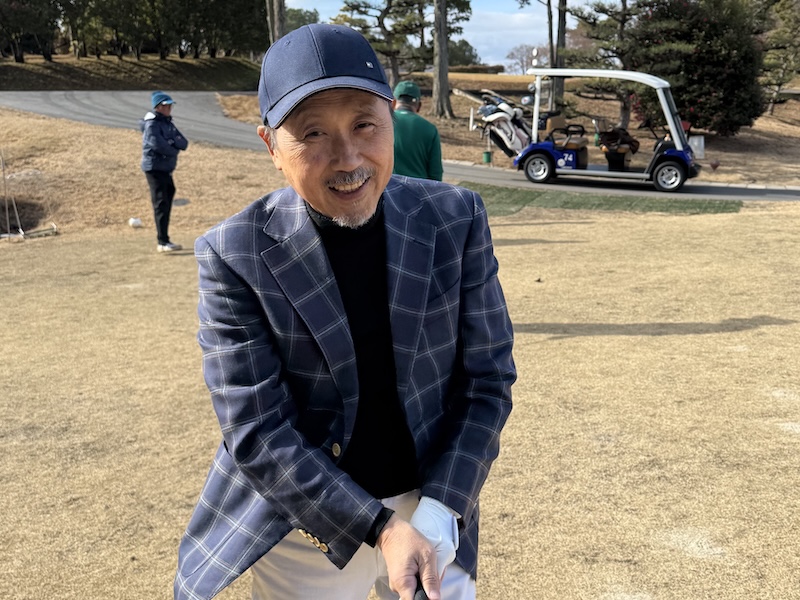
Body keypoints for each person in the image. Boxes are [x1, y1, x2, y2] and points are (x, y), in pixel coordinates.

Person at [174, 23, 515, 600]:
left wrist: (440, 510)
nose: (348, 157)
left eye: (364, 124)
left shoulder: (455, 219)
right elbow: (257, 429)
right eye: (313, 133)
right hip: (306, 522)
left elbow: (487, 381)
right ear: (271, 146)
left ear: (391, 119)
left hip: (433, 501)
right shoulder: (235, 254)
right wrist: (382, 530)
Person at [139, 91, 188, 252]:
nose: (169, 108)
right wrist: (172, 146)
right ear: (159, 107)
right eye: (166, 106)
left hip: (166, 168)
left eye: (170, 106)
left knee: (167, 197)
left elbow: (183, 143)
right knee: (161, 203)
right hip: (154, 167)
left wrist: (171, 143)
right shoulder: (152, 124)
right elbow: (158, 145)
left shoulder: (168, 123)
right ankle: (162, 241)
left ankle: (165, 240)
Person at [392, 80, 444, 181]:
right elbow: (436, 173)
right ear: (419, 106)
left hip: (387, 187)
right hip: (419, 188)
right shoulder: (430, 129)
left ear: (393, 102)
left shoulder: (381, 124)